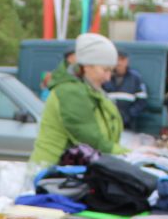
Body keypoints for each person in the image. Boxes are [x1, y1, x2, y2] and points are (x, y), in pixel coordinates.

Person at [29, 33, 125, 167]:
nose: (108, 78)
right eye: (105, 70)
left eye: (111, 71)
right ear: (87, 66)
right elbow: (90, 139)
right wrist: (128, 154)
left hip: (71, 169)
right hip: (54, 172)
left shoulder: (89, 90)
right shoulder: (70, 92)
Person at [103, 52, 148, 132]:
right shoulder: (106, 77)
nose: (119, 63)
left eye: (122, 60)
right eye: (117, 60)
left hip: (128, 124)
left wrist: (129, 115)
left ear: (127, 61)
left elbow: (141, 101)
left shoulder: (135, 78)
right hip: (108, 122)